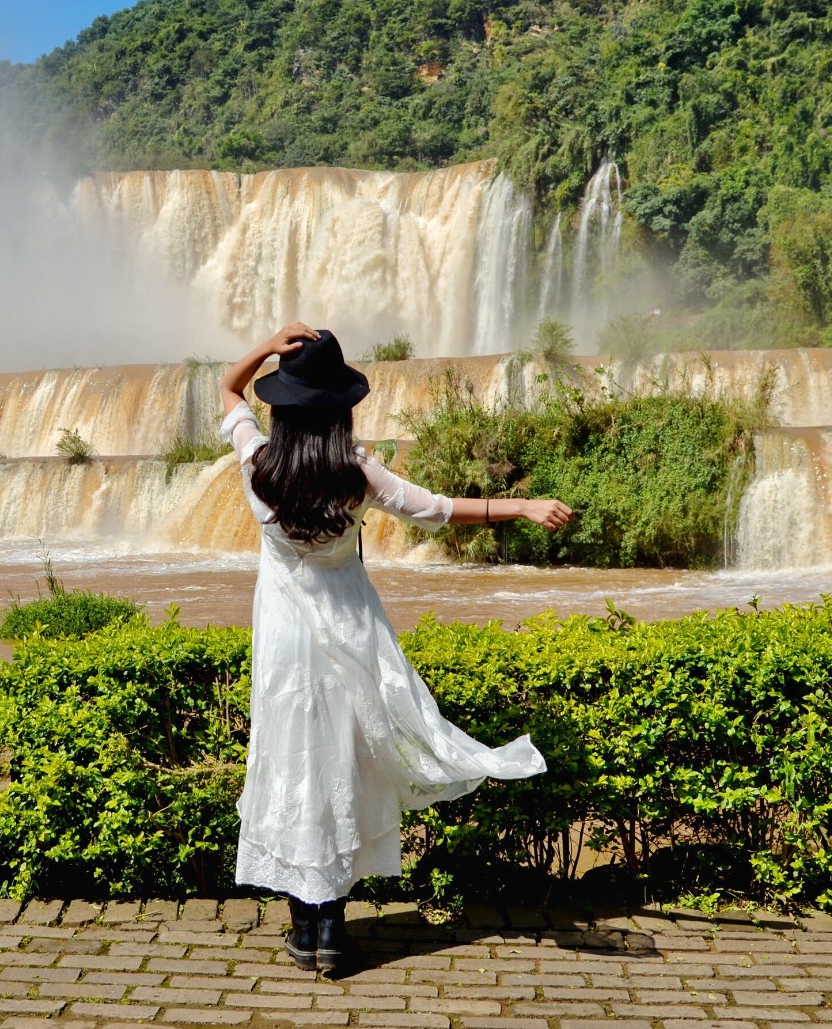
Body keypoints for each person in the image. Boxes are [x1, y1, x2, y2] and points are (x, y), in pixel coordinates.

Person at [217, 322, 574, 976]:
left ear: (283, 406)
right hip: (353, 630)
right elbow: (439, 510)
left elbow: (227, 386)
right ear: (339, 411)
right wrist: (522, 505)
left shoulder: (257, 461)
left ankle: (307, 930)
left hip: (285, 641)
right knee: (343, 769)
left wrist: (270, 345)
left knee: (295, 764)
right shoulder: (357, 472)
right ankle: (332, 931)